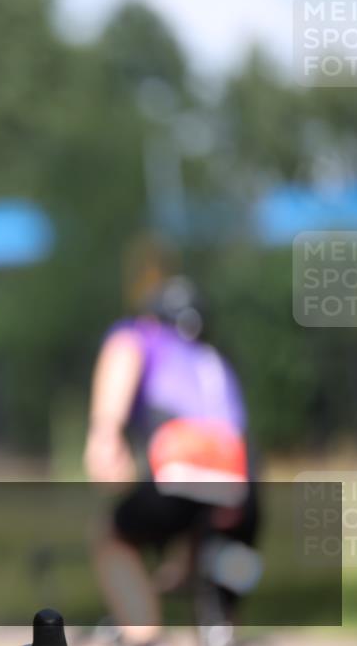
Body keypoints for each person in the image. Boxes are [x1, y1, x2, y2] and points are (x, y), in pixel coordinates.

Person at [83, 277, 259, 646]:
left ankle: (140, 628)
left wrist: (105, 431)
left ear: (153, 316)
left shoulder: (144, 334)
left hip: (183, 465)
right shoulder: (214, 360)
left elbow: (122, 353)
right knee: (211, 537)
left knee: (113, 539)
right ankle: (218, 622)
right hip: (243, 479)